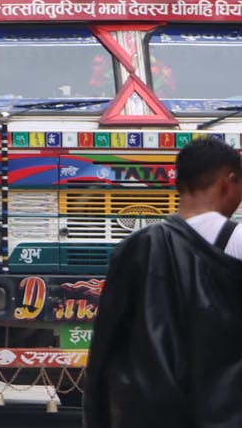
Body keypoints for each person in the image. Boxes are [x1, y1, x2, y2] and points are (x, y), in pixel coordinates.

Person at [85, 137, 242, 426]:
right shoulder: (237, 242)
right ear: (227, 182)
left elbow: (104, 349)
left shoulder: (133, 248)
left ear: (178, 183)